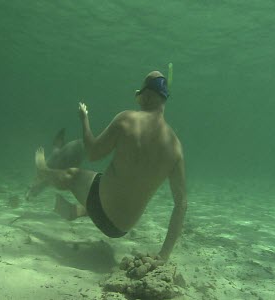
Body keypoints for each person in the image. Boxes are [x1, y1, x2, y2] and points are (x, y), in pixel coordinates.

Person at [34, 71, 187, 260]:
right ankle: (77, 211)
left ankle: (42, 172)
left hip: (101, 207)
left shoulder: (127, 120)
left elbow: (92, 153)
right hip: (122, 229)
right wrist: (163, 256)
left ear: (145, 96)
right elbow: (181, 205)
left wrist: (84, 121)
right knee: (104, 180)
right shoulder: (176, 148)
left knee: (73, 175)